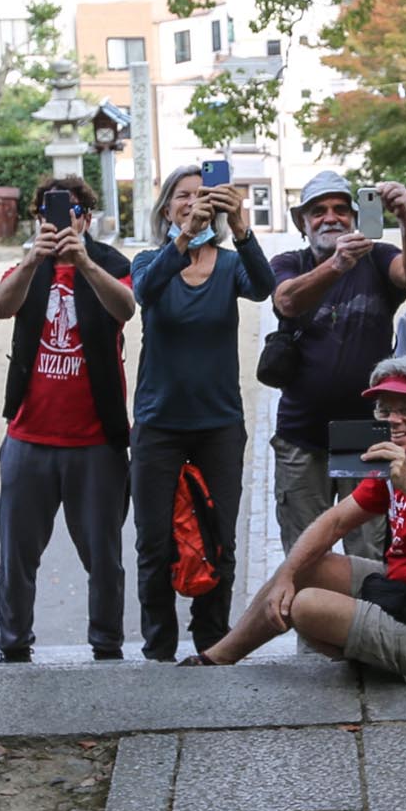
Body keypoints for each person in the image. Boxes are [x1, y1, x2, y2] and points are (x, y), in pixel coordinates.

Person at [181, 357, 406, 681]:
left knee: (306, 607)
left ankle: (385, 659)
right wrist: (286, 575)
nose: (394, 421)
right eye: (384, 411)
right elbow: (335, 521)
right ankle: (218, 659)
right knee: (302, 565)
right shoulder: (399, 458)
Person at [128, 165, 274, 661]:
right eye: (182, 196)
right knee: (154, 543)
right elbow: (142, 294)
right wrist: (184, 241)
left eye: (202, 196)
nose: (193, 203)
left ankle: (211, 642)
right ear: (166, 208)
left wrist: (243, 227)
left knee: (219, 541)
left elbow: (264, 287)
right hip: (157, 423)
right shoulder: (150, 260)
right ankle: (159, 647)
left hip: (218, 423)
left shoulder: (231, 265)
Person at [0, 177, 136, 663]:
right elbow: (0, 306)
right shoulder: (29, 266)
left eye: (74, 210)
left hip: (96, 439)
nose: (63, 218)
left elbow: (125, 308)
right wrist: (36, 258)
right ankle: (13, 646)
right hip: (28, 434)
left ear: (87, 218)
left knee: (105, 559)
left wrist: (84, 262)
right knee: (17, 557)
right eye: (52, 210)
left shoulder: (112, 264)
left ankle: (106, 645)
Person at [268, 171, 406, 560]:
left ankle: (362, 622)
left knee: (368, 553)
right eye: (318, 211)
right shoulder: (289, 262)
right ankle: (313, 622)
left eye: (341, 209)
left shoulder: (378, 258)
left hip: (365, 433)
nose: (331, 218)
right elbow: (287, 302)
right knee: (305, 554)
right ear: (302, 223)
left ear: (356, 218)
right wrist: (336, 265)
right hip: (301, 434)